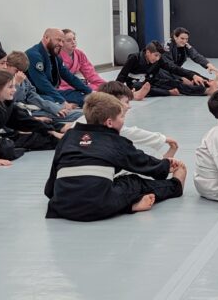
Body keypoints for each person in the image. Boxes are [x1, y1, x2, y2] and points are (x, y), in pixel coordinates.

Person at [44, 92, 186, 222]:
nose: (124, 120)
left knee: (101, 178)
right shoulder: (114, 141)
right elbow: (141, 161)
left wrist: (53, 194)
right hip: (97, 207)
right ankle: (175, 186)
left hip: (63, 205)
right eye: (122, 116)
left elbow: (53, 176)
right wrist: (166, 165)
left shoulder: (68, 137)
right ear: (109, 122)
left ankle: (129, 205)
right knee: (132, 181)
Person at [0, 71, 62, 166]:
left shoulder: (5, 103)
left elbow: (25, 120)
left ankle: (67, 139)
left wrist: (52, 131)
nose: (15, 90)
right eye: (10, 87)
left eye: (14, 86)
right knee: (5, 148)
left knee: (50, 139)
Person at [68, 81, 178, 153]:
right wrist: (163, 139)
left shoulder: (79, 122)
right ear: (114, 102)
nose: (129, 107)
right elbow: (132, 133)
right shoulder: (109, 125)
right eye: (126, 102)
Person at [116, 41, 218, 99]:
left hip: (151, 81)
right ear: (147, 52)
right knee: (141, 86)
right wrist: (119, 92)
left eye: (159, 56)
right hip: (135, 84)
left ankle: (205, 90)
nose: (157, 59)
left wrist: (192, 75)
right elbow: (121, 76)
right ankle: (168, 92)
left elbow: (174, 69)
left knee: (176, 83)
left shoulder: (158, 60)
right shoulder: (134, 58)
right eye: (155, 55)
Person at [5, 51, 83, 124]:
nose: (20, 74)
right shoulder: (2, 81)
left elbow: (32, 95)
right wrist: (17, 84)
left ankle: (84, 114)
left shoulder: (22, 78)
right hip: (21, 113)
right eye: (16, 70)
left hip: (31, 107)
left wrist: (53, 107)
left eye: (22, 71)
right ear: (7, 65)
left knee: (58, 108)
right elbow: (11, 102)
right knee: (64, 115)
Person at [25, 28, 92, 106]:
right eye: (58, 40)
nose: (61, 44)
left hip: (51, 92)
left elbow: (69, 77)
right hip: (36, 95)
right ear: (46, 38)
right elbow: (42, 84)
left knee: (85, 97)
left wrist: (90, 92)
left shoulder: (55, 56)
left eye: (62, 41)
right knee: (81, 101)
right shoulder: (33, 55)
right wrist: (62, 102)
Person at [156, 27, 218, 91]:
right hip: (164, 72)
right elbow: (169, 66)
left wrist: (209, 65)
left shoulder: (185, 45)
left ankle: (210, 83)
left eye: (186, 39)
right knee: (186, 82)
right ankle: (206, 88)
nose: (184, 41)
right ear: (175, 37)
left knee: (194, 75)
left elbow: (196, 56)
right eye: (182, 38)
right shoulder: (167, 45)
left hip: (176, 70)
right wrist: (181, 77)